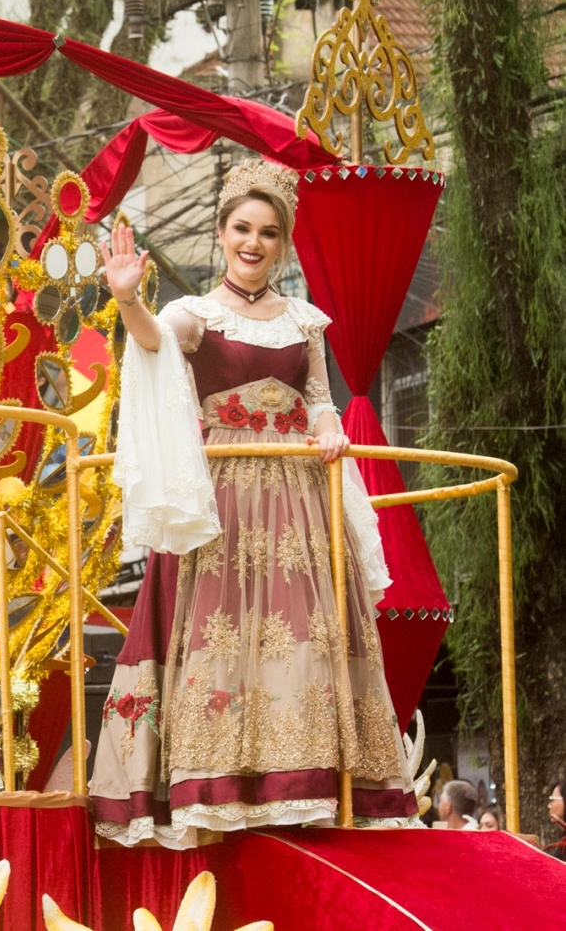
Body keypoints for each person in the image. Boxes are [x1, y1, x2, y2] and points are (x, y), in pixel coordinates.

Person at [87, 158, 417, 849]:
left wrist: (327, 431)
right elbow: (151, 345)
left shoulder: (305, 321)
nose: (254, 242)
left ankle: (299, 788)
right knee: (223, 640)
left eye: (269, 232)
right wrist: (127, 299)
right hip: (223, 508)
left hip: (297, 505)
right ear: (221, 232)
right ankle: (216, 787)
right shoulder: (194, 315)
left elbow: (320, 402)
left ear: (283, 242)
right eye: (242, 227)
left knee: (302, 641)